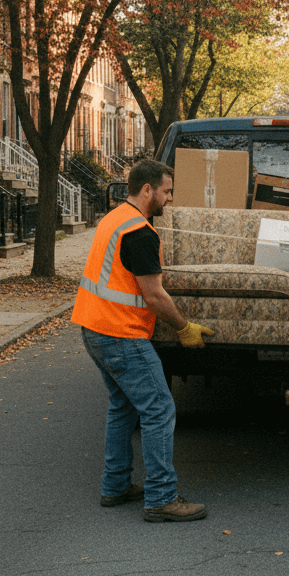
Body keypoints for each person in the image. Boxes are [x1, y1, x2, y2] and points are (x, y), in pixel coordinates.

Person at [72, 158, 214, 522]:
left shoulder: (114, 218)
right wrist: (185, 328)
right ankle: (162, 498)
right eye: (166, 191)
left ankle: (115, 486)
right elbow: (154, 295)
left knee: (123, 406)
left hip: (94, 328)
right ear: (147, 189)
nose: (169, 199)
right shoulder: (139, 232)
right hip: (121, 334)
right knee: (159, 409)